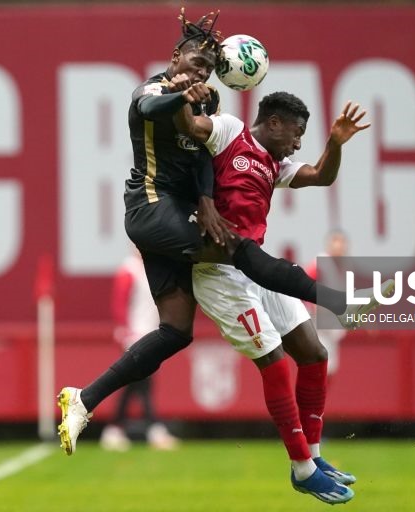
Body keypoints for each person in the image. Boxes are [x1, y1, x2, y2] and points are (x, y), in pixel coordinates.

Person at [57, 9, 390, 462]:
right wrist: (181, 96)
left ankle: (83, 400)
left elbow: (201, 158)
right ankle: (338, 302)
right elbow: (155, 109)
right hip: (151, 210)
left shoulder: (208, 104)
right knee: (238, 249)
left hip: (182, 214)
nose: (199, 73)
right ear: (175, 57)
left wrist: (208, 199)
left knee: (175, 331)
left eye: (207, 69)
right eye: (193, 63)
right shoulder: (155, 89)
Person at [180, 92, 384, 504]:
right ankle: (302, 468)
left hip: (256, 268)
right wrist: (183, 89)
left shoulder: (276, 164)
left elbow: (322, 176)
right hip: (220, 274)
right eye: (296, 133)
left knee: (314, 353)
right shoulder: (230, 131)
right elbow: (190, 125)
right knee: (274, 362)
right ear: (273, 123)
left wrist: (335, 145)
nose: (297, 143)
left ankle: (315, 455)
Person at [100, 250, 180, 452]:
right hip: (135, 336)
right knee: (143, 383)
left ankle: (114, 430)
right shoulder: (129, 269)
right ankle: (154, 430)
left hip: (152, 333)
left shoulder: (155, 269)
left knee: (134, 384)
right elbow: (120, 303)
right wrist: (123, 333)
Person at [305, 229, 350, 377]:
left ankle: (319, 400)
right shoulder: (321, 263)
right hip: (318, 325)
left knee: (330, 369)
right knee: (321, 367)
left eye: (342, 242)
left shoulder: (343, 267)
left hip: (331, 325)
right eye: (336, 241)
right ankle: (310, 400)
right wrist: (314, 304)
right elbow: (303, 285)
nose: (339, 246)